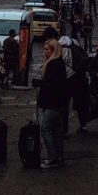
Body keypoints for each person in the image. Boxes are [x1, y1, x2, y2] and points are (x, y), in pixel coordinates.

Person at [32, 39, 67, 168]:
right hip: (57, 102)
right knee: (56, 130)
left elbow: (50, 83)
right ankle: (59, 156)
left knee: (46, 129)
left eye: (47, 49)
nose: (44, 52)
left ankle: (53, 158)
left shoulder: (53, 64)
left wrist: (38, 82)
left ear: (53, 51)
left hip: (52, 102)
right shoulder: (59, 63)